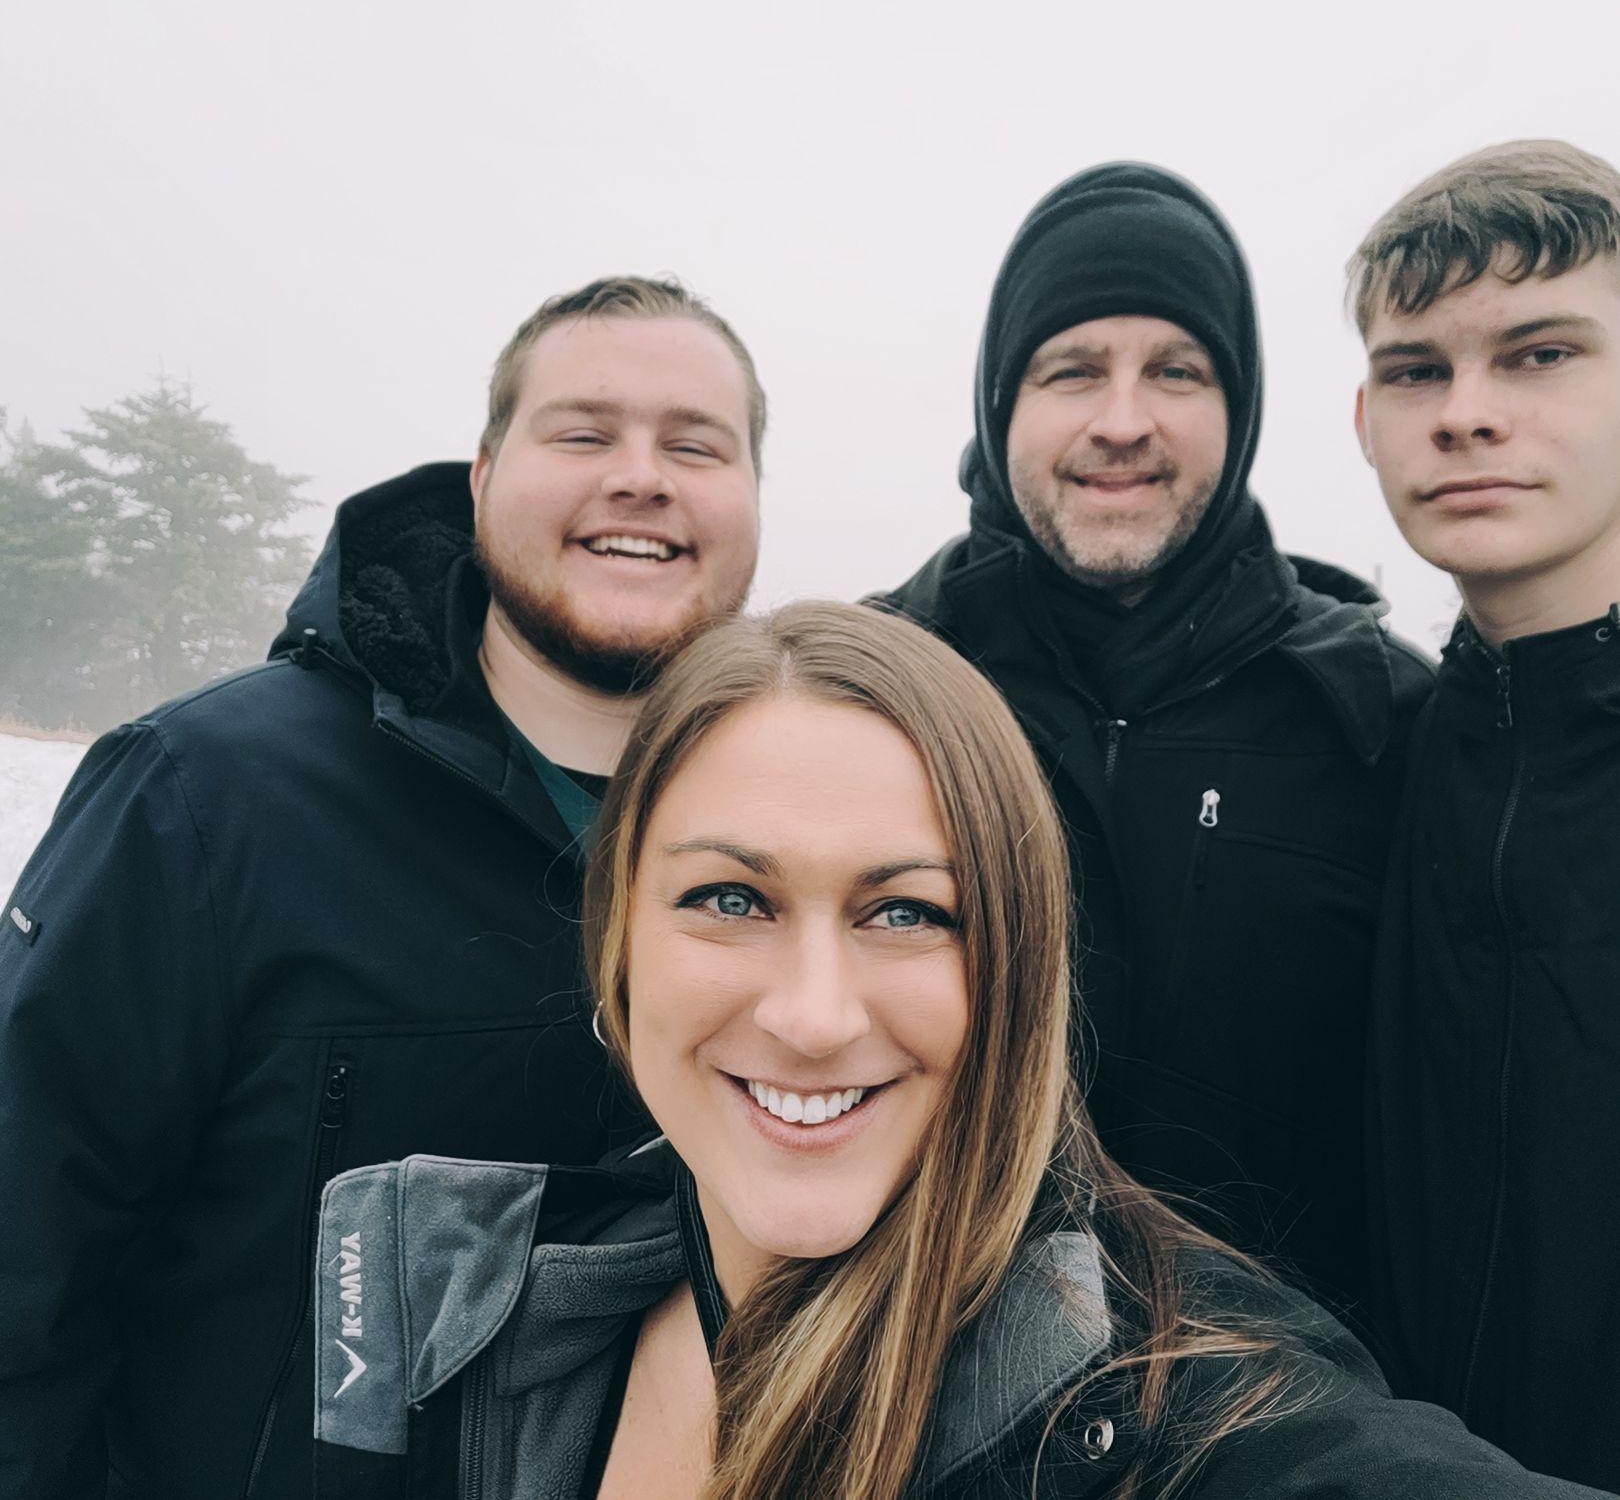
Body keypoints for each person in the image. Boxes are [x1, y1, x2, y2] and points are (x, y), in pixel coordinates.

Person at [313, 600, 1601, 1499]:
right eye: (730, 899)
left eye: (907, 913)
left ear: (1019, 977)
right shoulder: (460, 1311)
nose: (814, 1015)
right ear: (617, 947)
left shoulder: (1170, 1408)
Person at [0, 275, 763, 1499]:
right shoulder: (207, 796)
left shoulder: (799, 836)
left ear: (753, 499)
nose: (641, 475)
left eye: (695, 444)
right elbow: (25, 1272)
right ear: (480, 475)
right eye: (582, 432)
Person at [878, 162, 1433, 1314]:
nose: (1122, 421)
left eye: (1175, 371)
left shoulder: (1383, 719)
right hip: (932, 1409)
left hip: (1293, 1427)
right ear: (1000, 404)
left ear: (1240, 410)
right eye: (1072, 369)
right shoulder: (879, 694)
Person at [1351, 139, 1620, 1491]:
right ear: (1365, 421)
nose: (1464, 413)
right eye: (1418, 370)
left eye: (1538, 354)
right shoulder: (1370, 751)